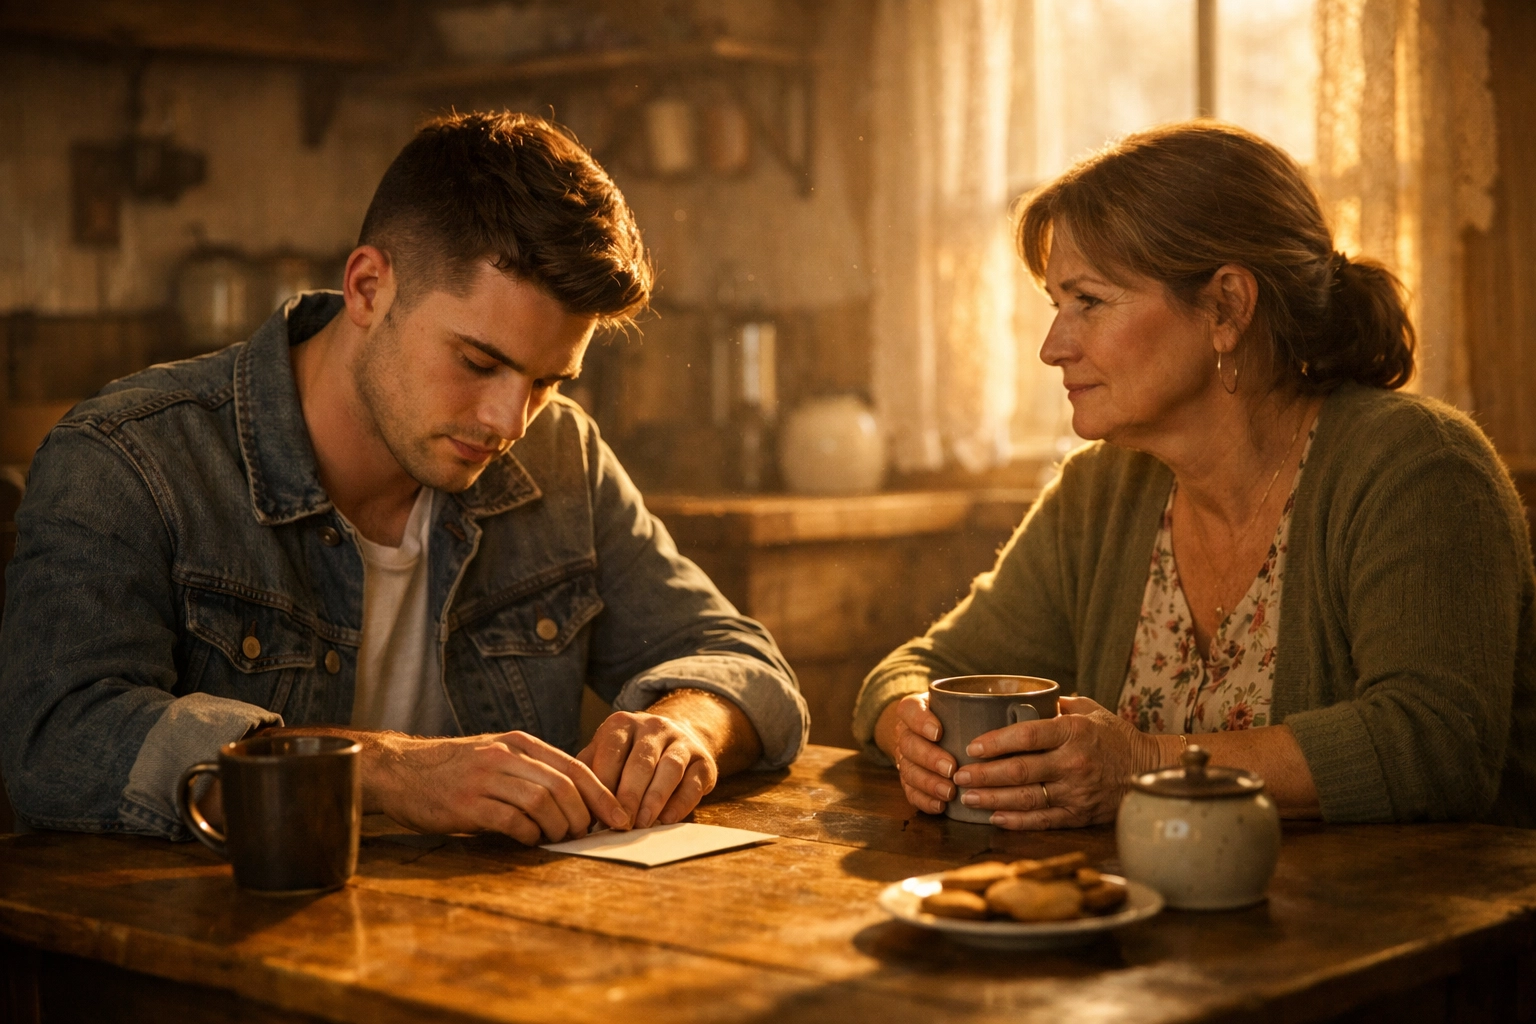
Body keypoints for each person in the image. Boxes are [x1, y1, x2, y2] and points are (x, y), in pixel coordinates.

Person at [0, 111, 808, 846]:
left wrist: (688, 726)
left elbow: (741, 661)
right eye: (478, 361)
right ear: (367, 288)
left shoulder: (561, 453)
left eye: (548, 381)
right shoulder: (126, 458)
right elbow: (55, 743)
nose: (509, 421)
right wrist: (378, 770)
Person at [854, 121, 1536, 829]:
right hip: (1155, 927)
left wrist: (1146, 764)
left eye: (1088, 301)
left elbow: (1436, 744)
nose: (1052, 346)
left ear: (1226, 308)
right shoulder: (1101, 492)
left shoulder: (1419, 467)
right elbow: (921, 667)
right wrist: (911, 725)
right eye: (1058, 306)